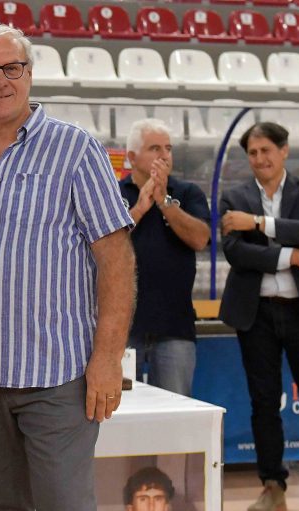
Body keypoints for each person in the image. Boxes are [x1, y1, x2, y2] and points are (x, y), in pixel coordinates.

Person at [0, 25, 136, 511]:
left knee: (65, 504)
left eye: (12, 68)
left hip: (56, 379)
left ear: (29, 74)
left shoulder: (76, 149)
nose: (0, 80)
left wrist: (108, 359)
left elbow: (116, 260)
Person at [219, 121, 299, 511]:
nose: (260, 159)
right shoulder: (234, 196)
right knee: (263, 402)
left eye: (266, 150)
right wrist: (293, 255)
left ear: (284, 150)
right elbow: (236, 252)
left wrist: (259, 224)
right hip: (256, 315)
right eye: (253, 153)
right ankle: (273, 485)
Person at [119, 119, 211, 396]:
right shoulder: (114, 193)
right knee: (119, 409)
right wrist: (139, 209)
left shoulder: (188, 193)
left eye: (168, 148)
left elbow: (200, 239)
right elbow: (102, 244)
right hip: (122, 326)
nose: (164, 155)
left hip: (175, 325)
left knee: (177, 408)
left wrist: (164, 202)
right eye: (155, 148)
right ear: (132, 157)